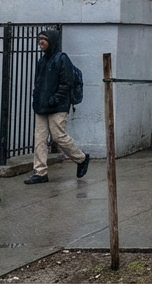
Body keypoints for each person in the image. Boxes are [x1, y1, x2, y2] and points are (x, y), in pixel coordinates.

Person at [23, 28, 90, 185]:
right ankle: (40, 172)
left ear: (51, 41)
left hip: (58, 106)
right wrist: (37, 99)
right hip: (42, 106)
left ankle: (81, 158)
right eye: (39, 39)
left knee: (58, 135)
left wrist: (55, 99)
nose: (41, 42)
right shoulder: (42, 61)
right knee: (39, 138)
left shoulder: (62, 58)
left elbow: (66, 83)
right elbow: (38, 83)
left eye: (44, 39)